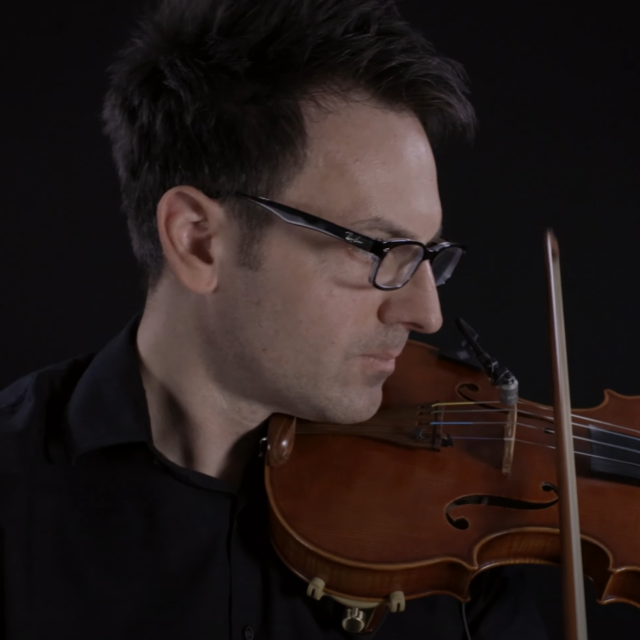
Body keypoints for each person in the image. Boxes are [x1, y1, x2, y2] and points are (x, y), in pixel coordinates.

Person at [0, 0, 549, 638]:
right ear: (200, 240)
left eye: (427, 253)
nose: (426, 313)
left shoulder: (455, 531)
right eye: (377, 248)